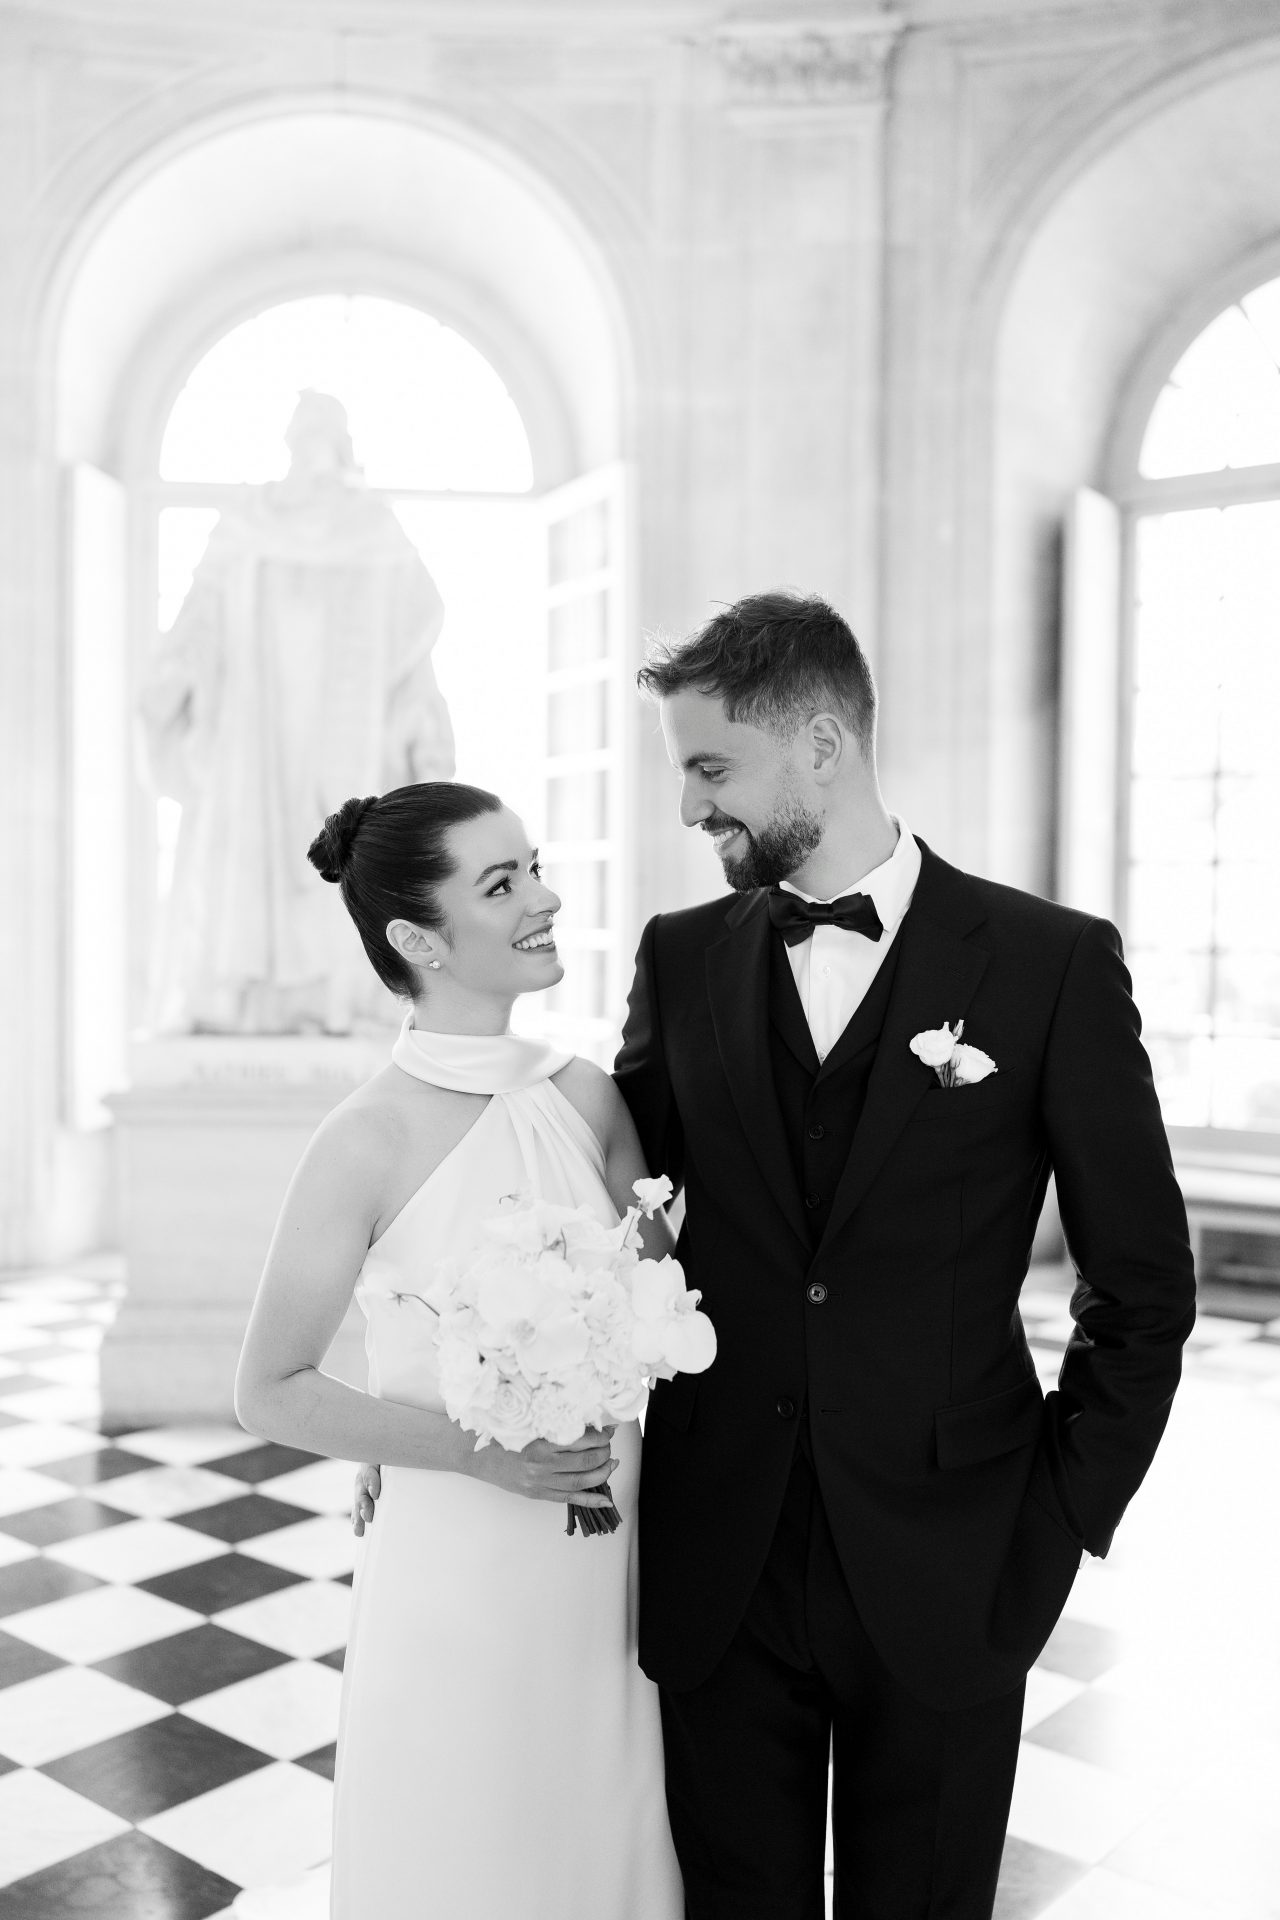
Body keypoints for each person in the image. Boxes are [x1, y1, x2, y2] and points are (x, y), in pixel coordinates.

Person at [355, 591, 1196, 1919]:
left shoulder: (1047, 964)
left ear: (819, 745)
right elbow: (603, 1211)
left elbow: (1141, 1286)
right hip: (717, 1563)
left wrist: (1059, 1515)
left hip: (955, 1557)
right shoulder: (681, 958)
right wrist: (427, 1389)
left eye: (709, 768)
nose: (689, 807)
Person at [234, 781, 683, 1920]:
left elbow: (668, 1299)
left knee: (592, 1821)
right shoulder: (363, 1139)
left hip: (604, 1553)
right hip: (459, 1556)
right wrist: (475, 1452)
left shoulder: (587, 1098)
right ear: (418, 940)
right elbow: (269, 1389)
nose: (544, 899)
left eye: (533, 868)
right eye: (501, 884)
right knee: (466, 1832)